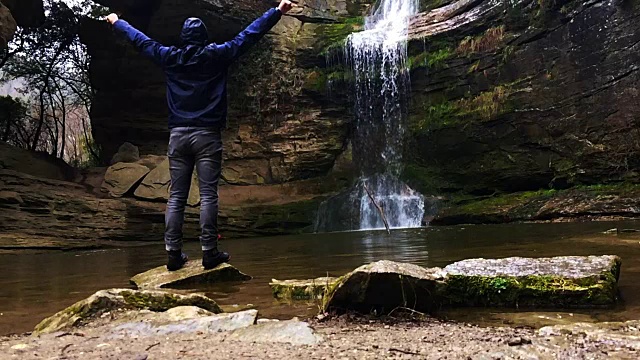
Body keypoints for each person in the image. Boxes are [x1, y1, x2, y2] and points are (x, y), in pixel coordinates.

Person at [106, 0, 295, 271]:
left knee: (176, 197)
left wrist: (117, 22)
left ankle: (173, 255)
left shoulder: (170, 57)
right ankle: (209, 253)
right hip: (207, 135)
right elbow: (249, 35)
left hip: (179, 136)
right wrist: (277, 11)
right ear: (205, 38)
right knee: (208, 195)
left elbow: (141, 41)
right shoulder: (217, 55)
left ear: (183, 38)